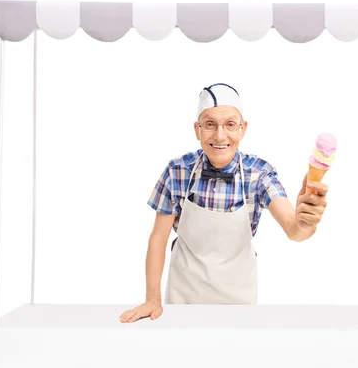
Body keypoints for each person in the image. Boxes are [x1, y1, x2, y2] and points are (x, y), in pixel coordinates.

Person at [119, 83, 328, 322]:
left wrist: (306, 221)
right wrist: (152, 299)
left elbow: (294, 230)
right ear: (197, 130)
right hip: (184, 298)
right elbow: (158, 238)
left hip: (239, 302)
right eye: (210, 124)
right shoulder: (177, 171)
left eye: (230, 124)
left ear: (243, 129)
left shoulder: (258, 173)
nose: (220, 135)